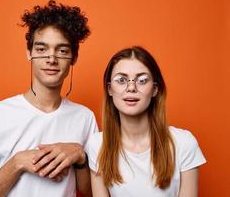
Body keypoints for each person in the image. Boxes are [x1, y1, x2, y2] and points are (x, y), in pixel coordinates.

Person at [0, 0, 98, 197]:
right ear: (29, 53)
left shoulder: (85, 117)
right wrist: (17, 162)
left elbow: (90, 192)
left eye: (62, 50)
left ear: (74, 57)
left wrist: (80, 156)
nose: (51, 58)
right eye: (41, 49)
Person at [86, 46, 206, 197]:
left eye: (142, 80)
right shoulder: (97, 144)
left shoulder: (184, 143)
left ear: (155, 89)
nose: (131, 88)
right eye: (121, 80)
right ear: (110, 89)